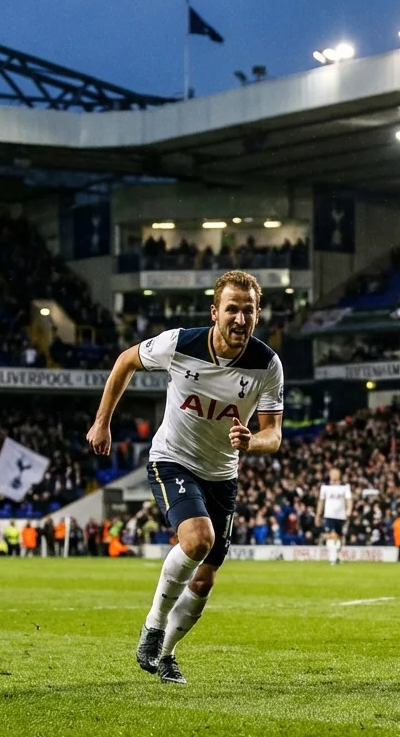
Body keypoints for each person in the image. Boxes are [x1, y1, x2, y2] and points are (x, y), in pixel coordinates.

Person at [86, 270, 284, 685]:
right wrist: (103, 422)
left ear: (257, 316)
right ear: (215, 312)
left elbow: (274, 435)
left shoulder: (267, 365)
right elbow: (126, 360)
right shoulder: (179, 344)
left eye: (249, 311)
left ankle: (166, 655)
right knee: (197, 540)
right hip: (172, 459)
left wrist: (252, 442)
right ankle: (153, 627)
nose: (240, 319)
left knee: (206, 576)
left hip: (222, 474)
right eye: (232, 309)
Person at [318, 468, 352, 565]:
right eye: (332, 473)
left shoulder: (345, 486)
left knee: (339, 538)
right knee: (331, 536)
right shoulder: (325, 487)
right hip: (329, 515)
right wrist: (318, 514)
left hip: (341, 516)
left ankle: (337, 557)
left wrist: (348, 509)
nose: (334, 474)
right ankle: (332, 558)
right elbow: (321, 501)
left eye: (336, 473)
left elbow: (349, 499)